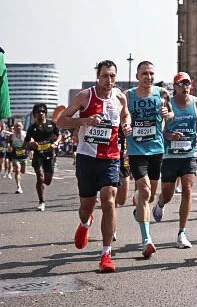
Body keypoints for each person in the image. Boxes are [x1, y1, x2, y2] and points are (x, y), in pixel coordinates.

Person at [58, 60, 131, 273]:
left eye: (112, 76)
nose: (109, 80)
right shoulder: (85, 96)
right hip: (87, 158)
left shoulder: (119, 97)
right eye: (105, 76)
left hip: (111, 157)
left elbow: (125, 114)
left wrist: (126, 124)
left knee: (109, 201)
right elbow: (61, 121)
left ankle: (106, 254)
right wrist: (85, 121)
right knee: (86, 207)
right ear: (98, 77)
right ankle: (84, 223)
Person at [126, 61, 170, 259]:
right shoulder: (128, 96)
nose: (148, 77)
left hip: (156, 149)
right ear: (137, 75)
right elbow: (120, 115)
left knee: (150, 195)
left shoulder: (161, 93)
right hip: (136, 150)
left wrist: (167, 114)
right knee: (144, 191)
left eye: (151, 73)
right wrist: (124, 126)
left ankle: (138, 210)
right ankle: (147, 240)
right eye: (144, 73)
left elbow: (171, 113)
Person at [153, 72, 197, 248]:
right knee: (168, 193)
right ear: (174, 87)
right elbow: (161, 131)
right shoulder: (168, 104)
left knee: (187, 188)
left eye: (187, 84)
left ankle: (182, 233)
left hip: (189, 153)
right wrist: (170, 136)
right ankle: (160, 203)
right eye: (180, 84)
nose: (185, 87)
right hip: (170, 154)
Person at [25, 103, 61, 210]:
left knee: (48, 181)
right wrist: (31, 144)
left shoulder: (51, 124)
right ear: (34, 114)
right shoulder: (32, 128)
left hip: (49, 154)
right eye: (38, 112)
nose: (41, 113)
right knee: (40, 177)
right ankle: (41, 201)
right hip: (38, 155)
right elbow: (25, 143)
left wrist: (55, 143)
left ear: (45, 113)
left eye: (43, 112)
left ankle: (43, 184)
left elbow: (59, 135)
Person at [9, 120, 27, 193]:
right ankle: (18, 187)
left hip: (24, 156)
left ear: (22, 127)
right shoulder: (12, 136)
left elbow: (31, 141)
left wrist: (30, 149)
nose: (18, 128)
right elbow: (8, 143)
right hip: (15, 156)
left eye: (19, 126)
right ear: (14, 128)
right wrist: (9, 146)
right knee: (18, 170)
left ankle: (17, 169)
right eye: (16, 126)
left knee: (23, 171)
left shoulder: (25, 134)